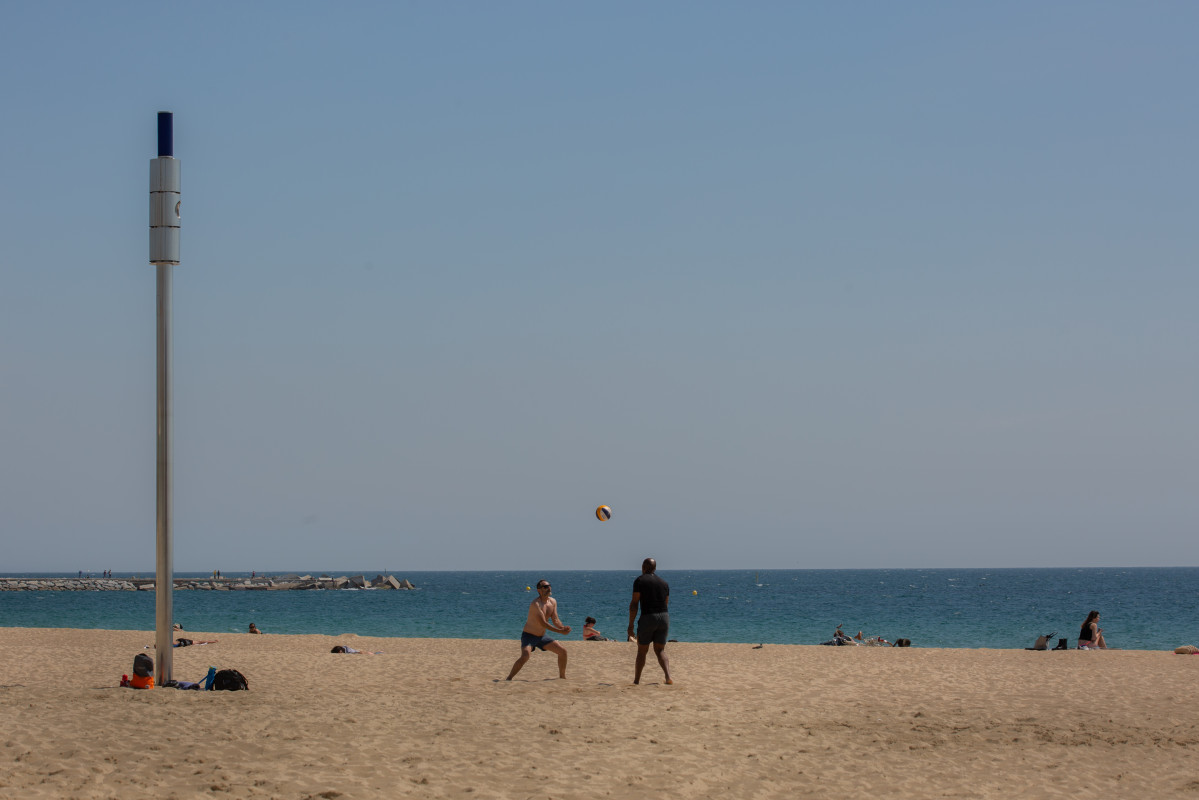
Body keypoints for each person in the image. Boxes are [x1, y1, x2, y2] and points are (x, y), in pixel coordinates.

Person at [506, 579, 571, 680]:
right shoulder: (536, 604)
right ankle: (509, 678)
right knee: (525, 656)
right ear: (539, 590)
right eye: (545, 587)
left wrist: (563, 627)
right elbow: (543, 623)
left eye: (549, 586)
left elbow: (555, 619)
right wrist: (560, 632)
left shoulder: (553, 602)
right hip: (529, 635)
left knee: (563, 652)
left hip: (541, 637)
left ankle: (562, 677)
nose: (548, 588)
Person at [628, 557, 672, 685]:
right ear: (655, 568)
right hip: (664, 617)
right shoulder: (664, 583)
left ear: (643, 567)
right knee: (660, 650)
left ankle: (636, 681)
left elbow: (634, 604)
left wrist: (630, 624)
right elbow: (666, 603)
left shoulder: (639, 581)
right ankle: (668, 677)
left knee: (642, 650)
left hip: (648, 617)